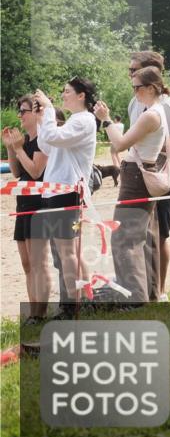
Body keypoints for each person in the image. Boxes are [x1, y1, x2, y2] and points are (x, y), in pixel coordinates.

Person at [95, 67, 170, 307]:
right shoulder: (154, 111)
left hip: (136, 179)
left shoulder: (151, 115)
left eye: (136, 87)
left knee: (124, 240)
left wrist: (106, 119)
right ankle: (141, 295)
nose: (134, 92)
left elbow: (120, 144)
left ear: (150, 88)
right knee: (135, 239)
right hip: (137, 176)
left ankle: (135, 298)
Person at [127, 51, 170, 302]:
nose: (130, 75)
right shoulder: (134, 102)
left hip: (161, 174)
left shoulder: (166, 104)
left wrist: (150, 145)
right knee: (138, 234)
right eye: (129, 71)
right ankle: (141, 289)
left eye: (134, 70)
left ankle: (160, 291)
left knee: (159, 234)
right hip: (138, 173)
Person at [34, 77, 98, 318]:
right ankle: (85, 299)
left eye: (67, 91)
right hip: (58, 189)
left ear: (81, 95)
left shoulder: (84, 121)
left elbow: (53, 139)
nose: (63, 95)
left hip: (67, 190)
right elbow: (48, 145)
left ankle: (73, 305)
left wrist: (49, 110)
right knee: (70, 251)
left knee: (67, 251)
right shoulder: (75, 120)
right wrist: (42, 119)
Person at [3, 96, 50, 322]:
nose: (19, 115)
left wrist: (19, 148)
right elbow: (16, 172)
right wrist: (11, 148)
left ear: (35, 113)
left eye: (23, 111)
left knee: (38, 262)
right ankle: (33, 312)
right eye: (19, 111)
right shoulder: (27, 139)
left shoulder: (43, 139)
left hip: (38, 205)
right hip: (23, 204)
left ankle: (40, 313)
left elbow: (35, 172)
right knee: (26, 263)